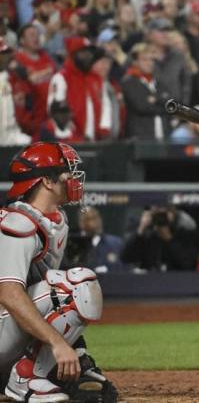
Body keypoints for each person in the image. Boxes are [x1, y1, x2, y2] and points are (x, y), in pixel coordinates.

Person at [0, 142, 117, 402]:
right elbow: (8, 293)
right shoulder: (18, 224)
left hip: (5, 333)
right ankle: (24, 379)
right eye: (67, 173)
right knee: (77, 285)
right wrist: (58, 342)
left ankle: (46, 369)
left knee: (61, 286)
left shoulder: (53, 220)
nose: (74, 179)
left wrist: (74, 347)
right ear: (47, 182)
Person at [121, 206, 199, 271]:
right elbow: (126, 258)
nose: (160, 218)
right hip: (148, 282)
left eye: (163, 214)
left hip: (176, 281)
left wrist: (169, 238)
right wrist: (141, 229)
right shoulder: (146, 233)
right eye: (156, 214)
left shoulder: (184, 231)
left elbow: (188, 264)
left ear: (172, 213)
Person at [121, 43, 170, 141]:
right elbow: (141, 106)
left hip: (162, 138)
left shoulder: (159, 83)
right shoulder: (129, 82)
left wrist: (154, 99)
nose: (149, 63)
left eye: (151, 59)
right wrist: (161, 101)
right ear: (135, 62)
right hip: (140, 139)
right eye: (144, 59)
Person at [76, 207, 126, 273]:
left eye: (96, 217)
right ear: (81, 222)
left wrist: (108, 270)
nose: (95, 222)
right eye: (89, 218)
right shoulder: (73, 244)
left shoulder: (116, 243)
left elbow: (124, 268)